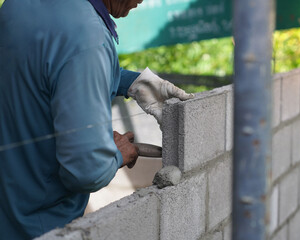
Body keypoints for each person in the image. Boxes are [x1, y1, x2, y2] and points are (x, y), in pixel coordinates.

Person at [0, 0, 192, 239]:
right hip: (39, 227)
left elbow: (49, 68)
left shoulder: (19, 4)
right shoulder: (87, 35)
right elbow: (85, 171)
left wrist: (131, 83)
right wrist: (115, 155)